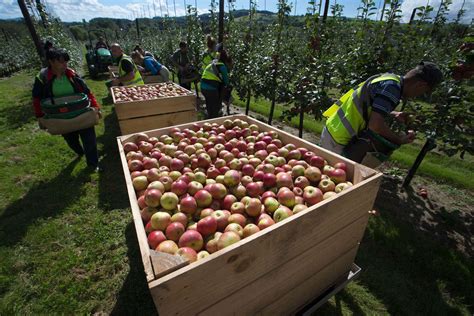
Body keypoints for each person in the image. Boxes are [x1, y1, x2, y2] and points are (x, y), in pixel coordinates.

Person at [320, 62, 443, 164]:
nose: (418, 96)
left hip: (336, 128)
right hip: (339, 138)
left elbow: (368, 105)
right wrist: (398, 139)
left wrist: (392, 114)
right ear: (421, 85)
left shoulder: (389, 78)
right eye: (423, 92)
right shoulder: (392, 89)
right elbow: (375, 125)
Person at [32, 48, 102, 171]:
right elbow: (37, 98)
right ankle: (79, 151)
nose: (65, 65)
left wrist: (96, 107)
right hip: (61, 115)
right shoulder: (43, 78)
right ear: (51, 62)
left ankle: (93, 163)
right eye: (61, 62)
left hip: (80, 111)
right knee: (71, 138)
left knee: (89, 137)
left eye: (66, 62)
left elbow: (87, 92)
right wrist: (39, 116)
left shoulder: (71, 74)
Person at [200, 49, 232, 119]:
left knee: (209, 104)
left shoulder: (212, 64)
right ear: (226, 61)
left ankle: (208, 118)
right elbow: (226, 82)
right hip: (211, 89)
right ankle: (213, 121)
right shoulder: (222, 66)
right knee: (215, 107)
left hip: (203, 87)